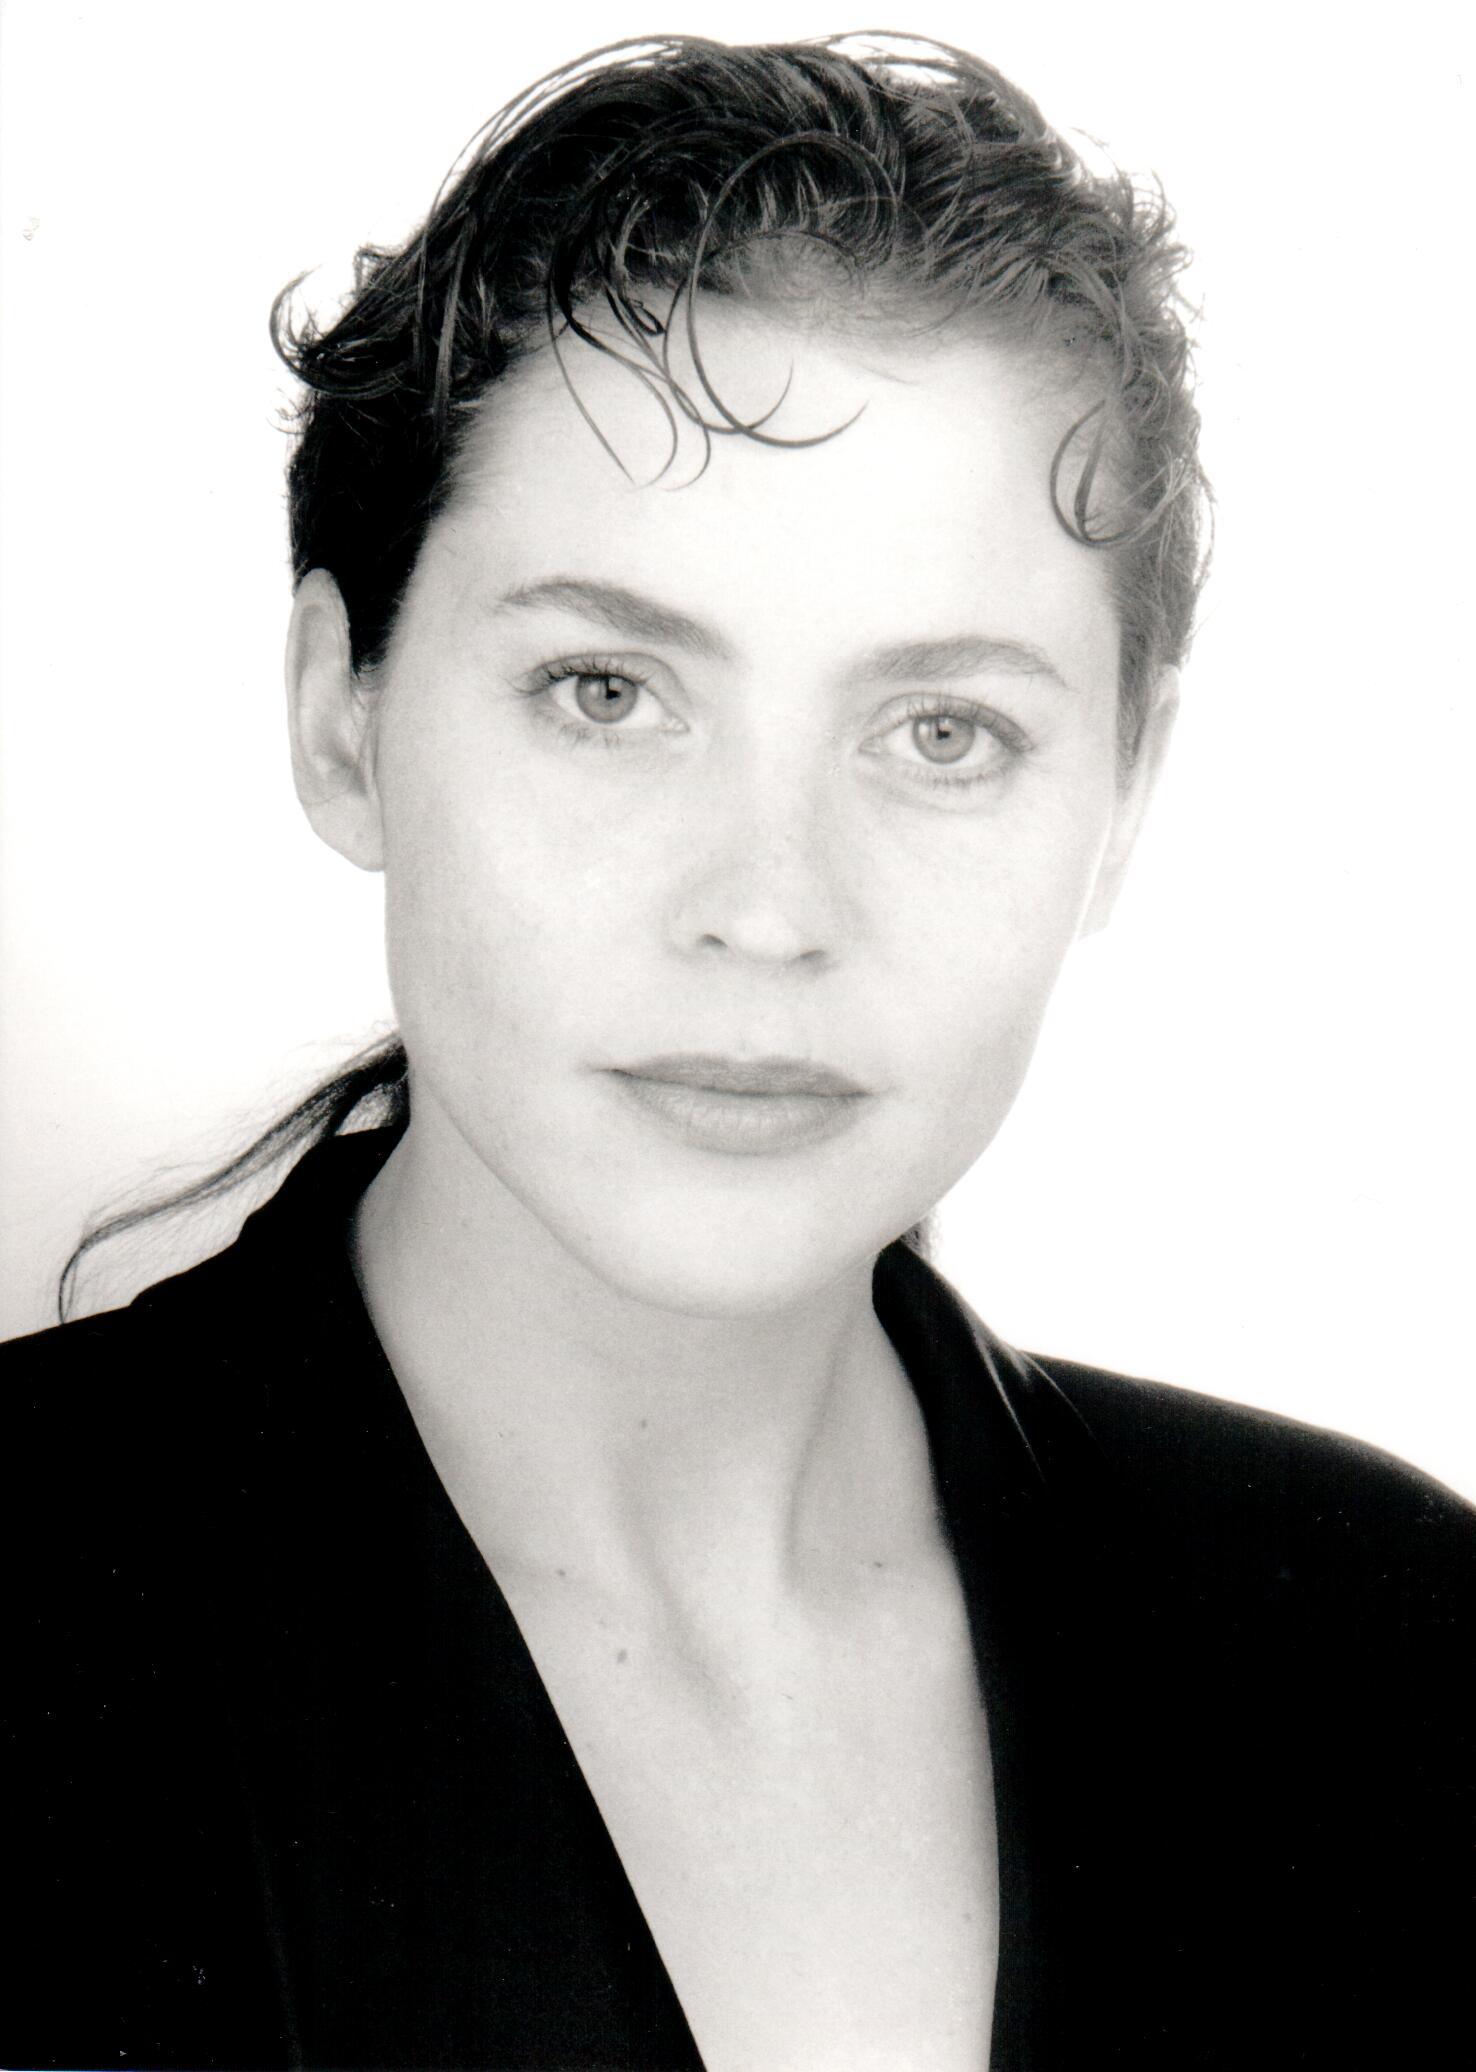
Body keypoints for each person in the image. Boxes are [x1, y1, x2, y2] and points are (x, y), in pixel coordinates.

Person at [4, 29, 1470, 2071]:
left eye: (943, 732)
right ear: (343, 713)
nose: (771, 908)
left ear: (1125, 795)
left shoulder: (1394, 1654)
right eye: (607, 691)